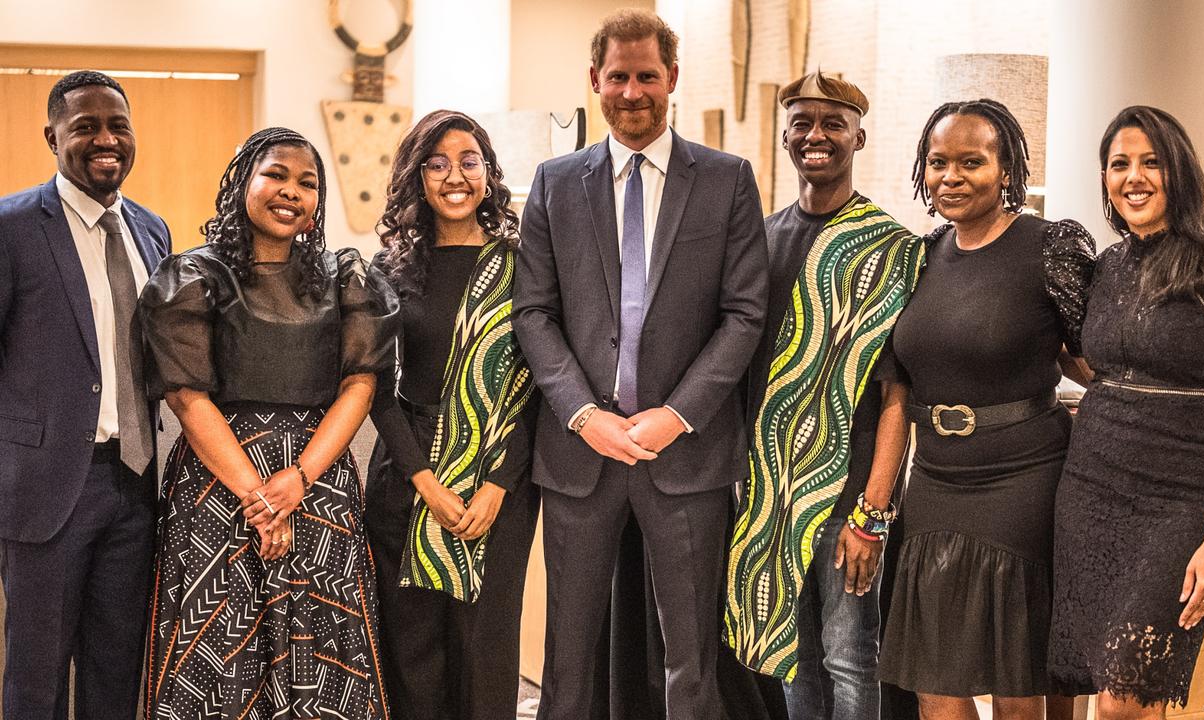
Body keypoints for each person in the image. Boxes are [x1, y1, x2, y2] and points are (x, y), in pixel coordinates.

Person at [512, 8, 769, 718]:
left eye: (646, 76)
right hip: (578, 456)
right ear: (595, 80)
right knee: (567, 657)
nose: (632, 91)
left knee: (691, 662)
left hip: (687, 459)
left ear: (673, 79)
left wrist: (678, 414)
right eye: (618, 76)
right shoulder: (555, 182)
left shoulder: (727, 180)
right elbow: (532, 312)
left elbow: (744, 314)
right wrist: (582, 413)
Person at [141, 127, 397, 718]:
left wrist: (299, 480)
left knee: (324, 653)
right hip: (219, 488)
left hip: (319, 487)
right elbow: (186, 396)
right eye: (275, 175)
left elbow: (361, 384)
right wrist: (261, 498)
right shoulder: (193, 277)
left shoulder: (345, 277)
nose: (291, 191)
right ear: (242, 185)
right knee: (219, 653)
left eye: (307, 183)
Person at [1049, 106, 1204, 718]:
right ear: (1104, 178)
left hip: (1181, 503)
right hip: (1092, 490)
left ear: (1178, 170)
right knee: (1113, 691)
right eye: (1119, 164)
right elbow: (1108, 367)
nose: (1134, 176)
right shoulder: (1107, 267)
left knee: (1126, 694)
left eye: (1151, 162)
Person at [876, 99, 1095, 720]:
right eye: (939, 162)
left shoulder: (1049, 247)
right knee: (934, 685)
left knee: (1017, 683)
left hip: (1026, 479)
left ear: (1006, 171)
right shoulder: (918, 258)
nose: (952, 176)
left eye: (972, 161)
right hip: (936, 482)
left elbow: (1091, 359)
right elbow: (898, 385)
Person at [724, 70, 923, 720]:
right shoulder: (756, 238)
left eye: (832, 123)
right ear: (784, 134)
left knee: (849, 658)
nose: (817, 135)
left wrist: (873, 512)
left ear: (859, 135)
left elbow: (899, 396)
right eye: (803, 122)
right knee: (794, 661)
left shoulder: (889, 248)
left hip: (845, 500)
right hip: (769, 495)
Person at [0, 70, 170, 719]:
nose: (106, 139)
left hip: (133, 487)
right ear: (53, 137)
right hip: (45, 493)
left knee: (116, 670)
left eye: (118, 125)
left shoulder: (151, 231)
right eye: (86, 126)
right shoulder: (12, 227)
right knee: (36, 677)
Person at [365, 109, 538, 720]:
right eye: (436, 164)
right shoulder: (388, 269)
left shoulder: (525, 268)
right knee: (412, 652)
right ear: (417, 178)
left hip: (500, 479)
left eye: (468, 162)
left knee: (485, 651)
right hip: (407, 473)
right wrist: (424, 481)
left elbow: (537, 386)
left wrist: (498, 484)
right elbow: (374, 387)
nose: (454, 176)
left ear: (489, 174)